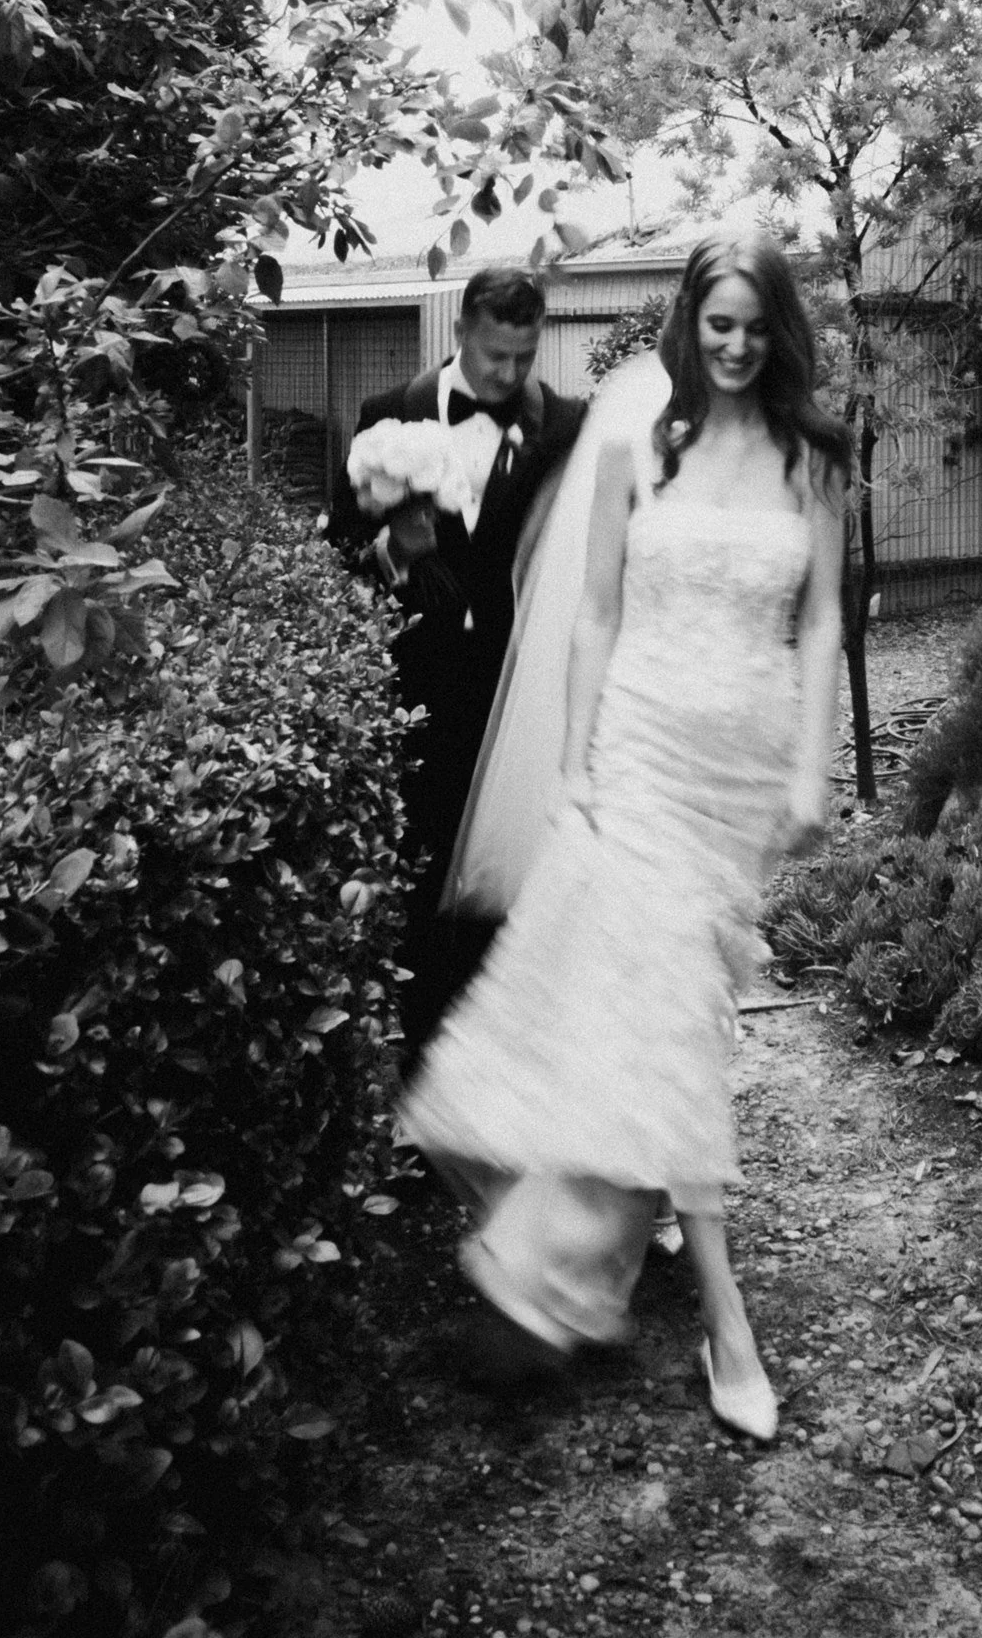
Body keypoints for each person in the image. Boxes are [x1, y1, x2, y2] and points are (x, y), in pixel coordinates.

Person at [400, 232, 850, 1441]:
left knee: (678, 1013)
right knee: (668, 1024)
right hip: (642, 755)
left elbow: (817, 626)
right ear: (688, 327)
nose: (739, 346)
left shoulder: (812, 457)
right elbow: (594, 612)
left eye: (758, 325)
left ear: (781, 328)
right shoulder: (642, 446)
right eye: (719, 325)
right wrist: (575, 761)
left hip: (740, 771)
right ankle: (724, 1317)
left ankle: (561, 1251)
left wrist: (814, 764)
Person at [324, 267, 586, 1063]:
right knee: (428, 878)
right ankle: (422, 1071)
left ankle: (511, 1066)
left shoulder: (568, 426)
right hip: (422, 693)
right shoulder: (387, 417)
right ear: (461, 333)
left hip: (527, 697)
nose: (507, 376)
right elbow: (337, 548)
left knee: (520, 884)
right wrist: (390, 552)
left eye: (523, 357)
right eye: (493, 356)